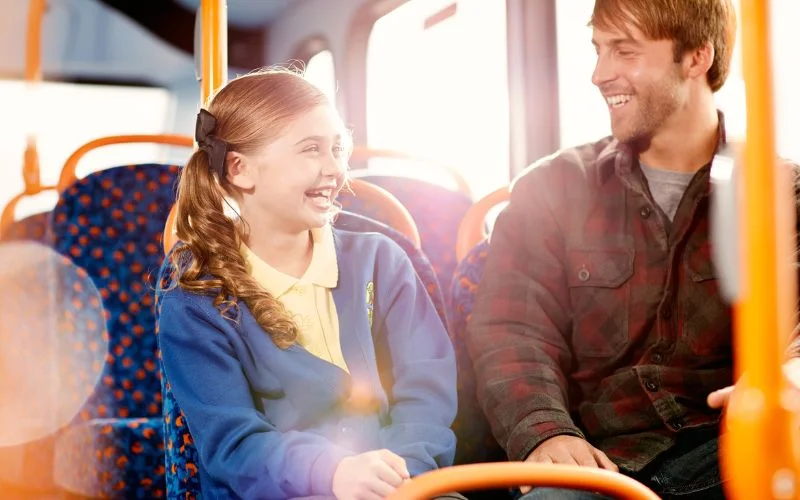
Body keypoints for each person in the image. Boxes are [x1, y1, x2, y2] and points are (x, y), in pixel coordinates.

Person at [466, 1, 800, 499]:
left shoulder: (779, 191)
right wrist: (546, 430)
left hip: (730, 452)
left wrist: (788, 379)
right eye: (598, 50)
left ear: (696, 57)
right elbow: (512, 329)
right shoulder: (552, 187)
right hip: (596, 462)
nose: (600, 73)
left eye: (624, 50)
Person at [156, 68, 462, 500]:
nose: (336, 169)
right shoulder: (196, 296)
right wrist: (333, 474)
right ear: (241, 169)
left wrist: (402, 476)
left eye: (338, 148)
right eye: (311, 150)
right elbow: (233, 443)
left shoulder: (382, 262)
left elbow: (426, 392)